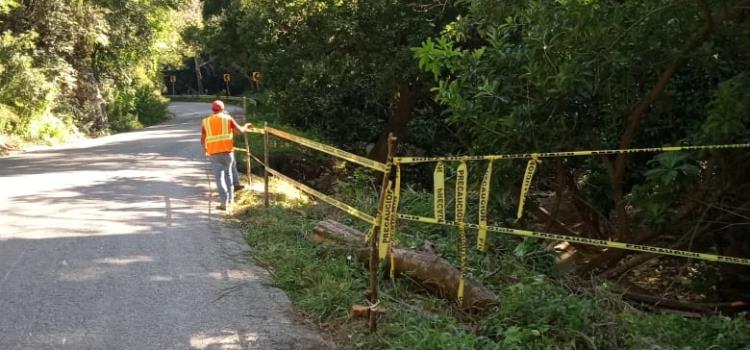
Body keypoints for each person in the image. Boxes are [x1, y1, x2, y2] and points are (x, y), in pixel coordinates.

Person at [201, 100, 253, 211]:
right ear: (223, 109)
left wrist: (205, 149)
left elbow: (203, 138)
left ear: (212, 110)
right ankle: (231, 201)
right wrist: (246, 126)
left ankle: (224, 203)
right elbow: (240, 131)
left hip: (213, 153)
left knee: (219, 179)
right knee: (228, 175)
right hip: (227, 152)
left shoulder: (205, 121)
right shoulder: (227, 119)